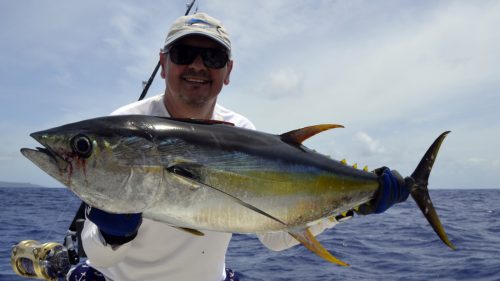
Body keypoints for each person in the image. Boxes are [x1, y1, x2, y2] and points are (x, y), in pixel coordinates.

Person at [67, 12, 409, 281]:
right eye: (184, 53)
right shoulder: (122, 128)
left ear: (227, 71)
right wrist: (113, 235)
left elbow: (275, 237)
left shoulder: (242, 131)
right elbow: (100, 257)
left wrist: (352, 206)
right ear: (163, 63)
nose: (198, 66)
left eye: (213, 57)